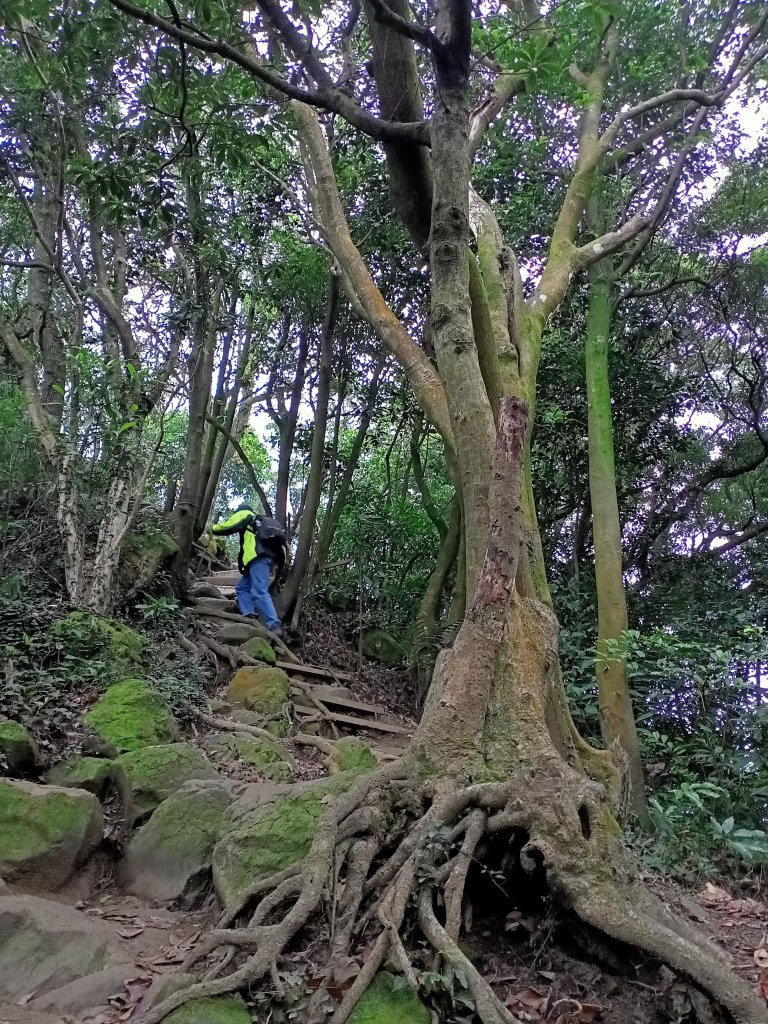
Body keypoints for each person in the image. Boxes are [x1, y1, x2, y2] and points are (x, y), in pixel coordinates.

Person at [211, 503, 287, 637]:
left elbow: (228, 526)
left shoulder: (245, 514)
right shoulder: (258, 521)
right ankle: (249, 615)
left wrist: (212, 527)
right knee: (242, 587)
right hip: (268, 558)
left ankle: (274, 625)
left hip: (258, 558)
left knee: (260, 591)